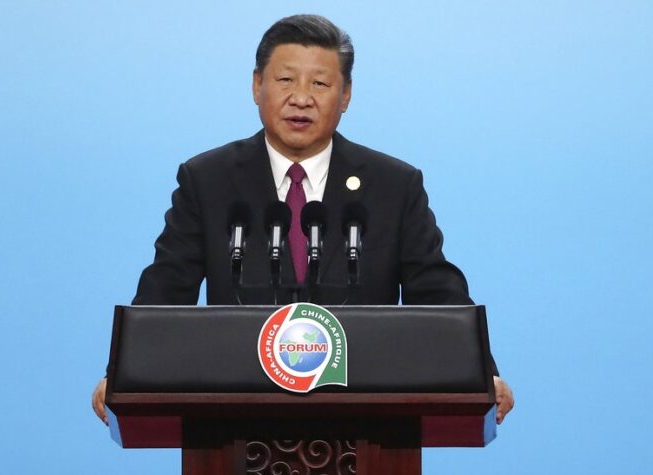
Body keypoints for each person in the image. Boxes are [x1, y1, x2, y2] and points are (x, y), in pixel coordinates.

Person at [92, 14, 514, 425]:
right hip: (234, 419)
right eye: (285, 80)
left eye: (320, 83)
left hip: (368, 420)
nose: (301, 97)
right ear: (257, 85)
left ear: (345, 94)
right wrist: (124, 370)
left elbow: (437, 291)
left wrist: (482, 373)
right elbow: (167, 286)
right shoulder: (208, 180)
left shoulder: (393, 185)